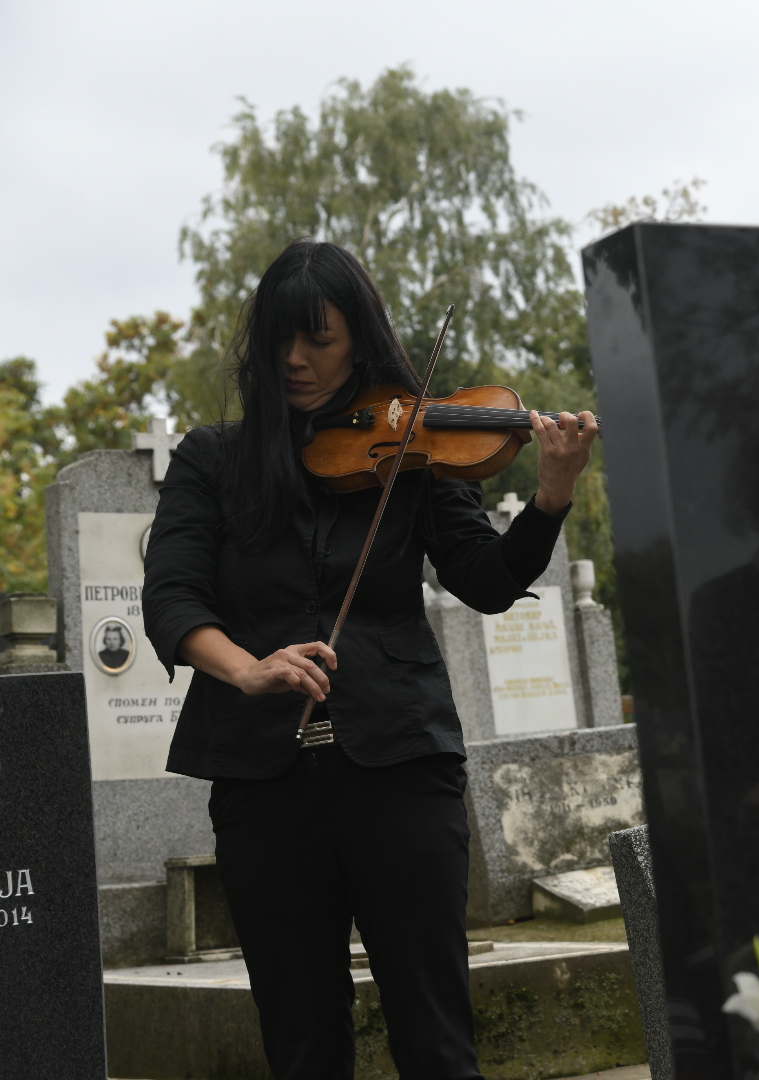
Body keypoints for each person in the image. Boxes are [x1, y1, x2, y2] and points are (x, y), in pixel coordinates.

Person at [142, 239, 597, 1080]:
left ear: (362, 340)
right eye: (282, 337)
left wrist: (552, 496)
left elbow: (487, 580)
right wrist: (248, 669)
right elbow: (171, 600)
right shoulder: (214, 461)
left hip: (400, 767)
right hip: (262, 782)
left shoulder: (414, 447)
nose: (295, 359)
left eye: (320, 338)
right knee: (303, 1041)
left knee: (436, 1037)